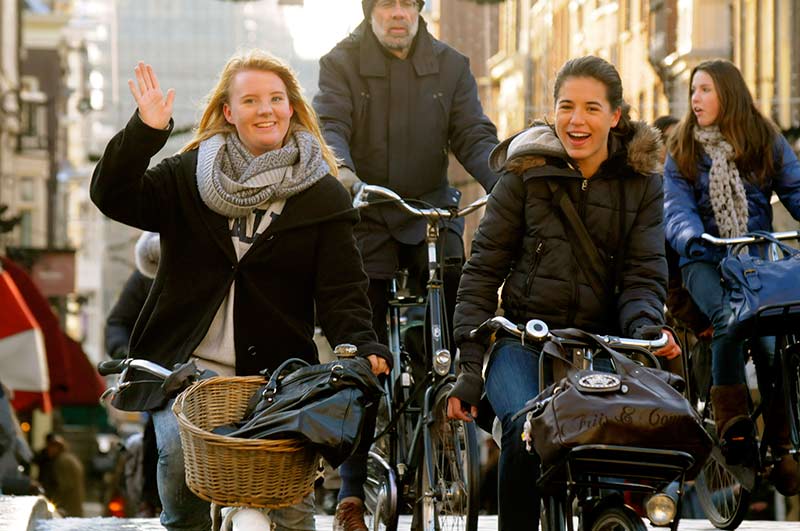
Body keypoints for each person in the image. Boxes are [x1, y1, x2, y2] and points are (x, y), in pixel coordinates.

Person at [90, 49, 390, 531]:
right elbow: (113, 195)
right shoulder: (188, 175)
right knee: (178, 471)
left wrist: (362, 345)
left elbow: (342, 291)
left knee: (292, 513)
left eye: (276, 98)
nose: (266, 109)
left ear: (292, 107)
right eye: (250, 100)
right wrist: (146, 132)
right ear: (228, 112)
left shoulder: (322, 194)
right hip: (183, 372)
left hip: (276, 378)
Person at [446, 55, 681, 530]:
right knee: (524, 431)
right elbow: (482, 270)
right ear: (553, 112)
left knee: (617, 437)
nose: (577, 120)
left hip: (602, 341)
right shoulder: (523, 175)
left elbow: (643, 274)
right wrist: (470, 365)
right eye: (566, 106)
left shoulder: (642, 185)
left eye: (592, 108)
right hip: (522, 342)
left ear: (615, 116)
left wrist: (645, 330)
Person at [312, 1, 499, 527]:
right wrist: (344, 178)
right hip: (367, 214)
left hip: (428, 211)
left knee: (464, 290)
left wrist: (502, 184)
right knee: (362, 353)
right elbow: (330, 128)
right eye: (386, 3)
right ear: (371, 10)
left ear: (418, 10)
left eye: (406, 3)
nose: (397, 13)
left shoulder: (451, 64)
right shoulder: (340, 62)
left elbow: (474, 134)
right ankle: (351, 491)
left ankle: (450, 383)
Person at [663, 59, 800, 496]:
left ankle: (782, 448)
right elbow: (675, 207)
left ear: (728, 93)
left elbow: (794, 189)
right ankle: (732, 427)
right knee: (728, 318)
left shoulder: (764, 138)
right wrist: (691, 237)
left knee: (771, 341)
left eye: (704, 90)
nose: (695, 99)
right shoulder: (682, 145)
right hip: (703, 258)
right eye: (692, 91)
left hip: (754, 257)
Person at [104, 230, 160, 517]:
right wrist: (122, 353)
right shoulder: (144, 279)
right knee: (158, 430)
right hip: (160, 373)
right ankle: (151, 499)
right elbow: (118, 320)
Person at [35, 434, 85, 517]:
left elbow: (63, 487)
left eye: (51, 447)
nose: (48, 450)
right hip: (73, 505)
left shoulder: (62, 462)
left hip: (67, 508)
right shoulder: (68, 458)